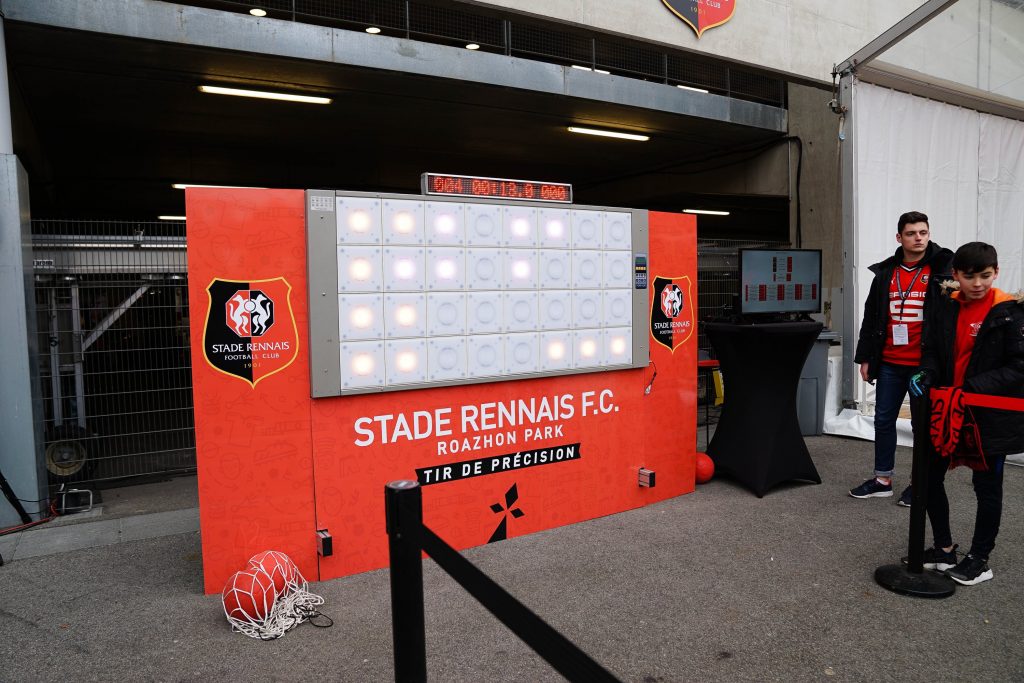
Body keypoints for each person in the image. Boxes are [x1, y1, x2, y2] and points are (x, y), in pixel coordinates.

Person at [908, 242, 1024, 585]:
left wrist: (972, 388)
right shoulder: (945, 305)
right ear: (955, 275)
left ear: (997, 272)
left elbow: (1020, 367)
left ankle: (979, 558)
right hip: (946, 412)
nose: (978, 284)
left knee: (987, 487)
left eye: (985, 276)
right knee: (927, 479)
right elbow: (931, 349)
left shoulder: (1011, 312)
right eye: (970, 276)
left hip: (988, 417)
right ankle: (944, 550)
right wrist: (926, 373)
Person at [850, 211, 953, 505]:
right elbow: (871, 318)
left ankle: (920, 484)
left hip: (926, 366)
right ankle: (882, 479)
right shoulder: (886, 273)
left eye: (923, 232)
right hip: (891, 362)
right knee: (883, 421)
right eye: (911, 233)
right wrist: (866, 358)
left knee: (922, 426)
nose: (918, 238)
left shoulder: (944, 268)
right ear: (900, 237)